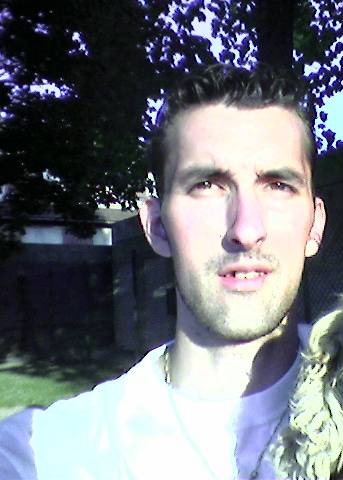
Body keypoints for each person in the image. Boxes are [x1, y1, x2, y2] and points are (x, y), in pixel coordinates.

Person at [0, 63, 326, 480]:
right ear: (156, 226)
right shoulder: (52, 452)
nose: (246, 230)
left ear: (314, 225)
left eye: (279, 185)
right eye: (206, 185)